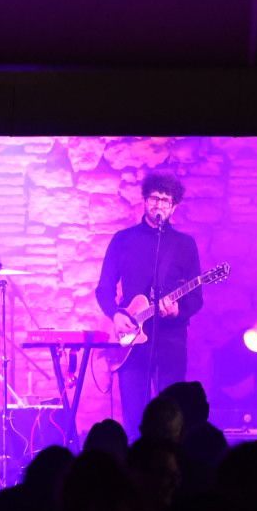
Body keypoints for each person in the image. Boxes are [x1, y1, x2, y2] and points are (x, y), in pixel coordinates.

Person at [96, 173, 205, 435]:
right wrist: (115, 315)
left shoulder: (184, 244)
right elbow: (104, 289)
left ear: (174, 206)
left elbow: (196, 298)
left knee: (173, 414)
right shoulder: (123, 240)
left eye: (166, 201)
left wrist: (179, 310)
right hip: (132, 341)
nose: (159, 205)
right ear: (145, 201)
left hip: (171, 340)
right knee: (134, 415)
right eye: (154, 198)